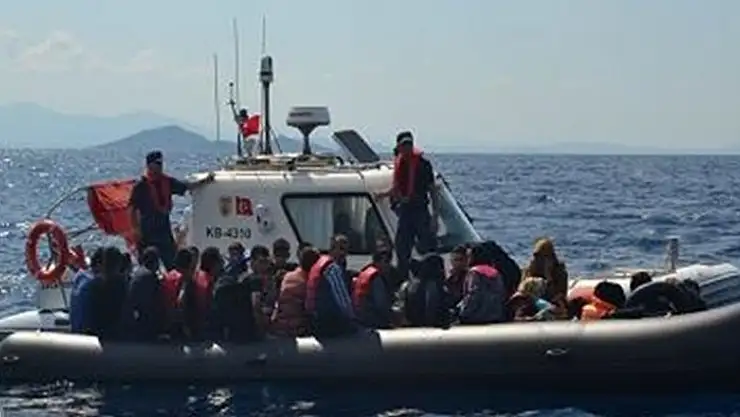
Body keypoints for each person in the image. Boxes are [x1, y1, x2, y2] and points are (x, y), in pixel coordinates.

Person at [129, 150, 214, 269]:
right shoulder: (141, 185)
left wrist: (204, 181)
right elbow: (132, 208)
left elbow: (185, 186)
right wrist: (136, 230)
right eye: (157, 164)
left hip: (163, 230)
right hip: (147, 231)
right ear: (149, 165)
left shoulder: (167, 182)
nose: (160, 166)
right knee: (146, 264)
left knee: (173, 263)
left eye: (161, 163)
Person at [376, 131, 439, 280]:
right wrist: (383, 195)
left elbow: (432, 190)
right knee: (401, 248)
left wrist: (435, 216)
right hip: (405, 211)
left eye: (409, 144)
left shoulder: (423, 165)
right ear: (398, 146)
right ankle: (404, 279)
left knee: (427, 247)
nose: (407, 148)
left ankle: (431, 278)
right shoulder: (400, 163)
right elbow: (396, 188)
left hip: (420, 210)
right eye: (404, 145)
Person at [305, 251, 358, 337]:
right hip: (329, 323)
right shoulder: (332, 268)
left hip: (316, 322)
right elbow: (342, 300)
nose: (343, 254)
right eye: (340, 249)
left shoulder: (317, 267)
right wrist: (352, 318)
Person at [271, 245, 319, 337]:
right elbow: (311, 307)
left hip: (279, 324)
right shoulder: (307, 282)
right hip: (296, 327)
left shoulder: (288, 276)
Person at [457, 243, 506, 325]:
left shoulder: (474, 272)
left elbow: (473, 295)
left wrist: (463, 312)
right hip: (494, 315)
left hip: (476, 316)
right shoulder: (495, 272)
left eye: (469, 256)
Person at [123, 246, 164, 341]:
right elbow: (156, 303)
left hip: (133, 319)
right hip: (144, 324)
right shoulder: (150, 276)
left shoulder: (137, 273)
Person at [88, 247, 127, 339]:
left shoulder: (94, 283)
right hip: (117, 333)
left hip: (100, 332)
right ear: (118, 263)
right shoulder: (120, 283)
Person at [352, 247, 395, 329]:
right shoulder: (376, 278)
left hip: (360, 318)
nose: (388, 265)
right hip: (372, 320)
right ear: (377, 262)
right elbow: (381, 305)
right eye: (386, 262)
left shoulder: (365, 272)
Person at [70, 247, 104, 333]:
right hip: (89, 334)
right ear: (100, 265)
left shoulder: (79, 277)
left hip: (76, 331)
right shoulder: (95, 283)